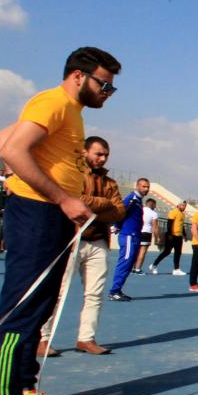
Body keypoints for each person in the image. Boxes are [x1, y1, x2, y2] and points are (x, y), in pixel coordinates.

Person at [0, 46, 121, 395]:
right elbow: (13, 148)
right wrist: (62, 198)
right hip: (39, 213)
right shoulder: (53, 102)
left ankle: (23, 388)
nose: (107, 94)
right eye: (104, 86)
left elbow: (5, 136)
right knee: (22, 305)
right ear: (79, 76)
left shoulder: (70, 112)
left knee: (42, 304)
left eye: (111, 89)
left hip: (52, 214)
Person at [40, 136, 126, 355]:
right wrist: (103, 204)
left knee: (94, 293)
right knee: (57, 291)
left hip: (98, 241)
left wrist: (90, 205)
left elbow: (119, 211)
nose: (103, 158)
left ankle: (86, 339)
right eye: (98, 154)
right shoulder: (73, 176)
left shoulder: (110, 183)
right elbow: (74, 199)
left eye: (106, 155)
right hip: (72, 239)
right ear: (85, 152)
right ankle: (43, 338)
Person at [109, 176, 150, 301]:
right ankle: (114, 291)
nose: (146, 189)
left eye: (148, 187)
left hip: (135, 236)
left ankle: (118, 290)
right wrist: (116, 226)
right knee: (125, 263)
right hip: (128, 236)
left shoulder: (138, 201)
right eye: (143, 186)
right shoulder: (131, 198)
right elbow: (121, 211)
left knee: (129, 263)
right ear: (137, 186)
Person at [149, 200, 186, 274]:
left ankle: (176, 269)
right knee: (166, 252)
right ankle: (154, 265)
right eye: (182, 205)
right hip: (171, 236)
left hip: (179, 236)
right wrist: (170, 234)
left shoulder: (182, 214)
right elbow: (169, 224)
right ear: (178, 205)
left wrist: (184, 234)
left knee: (178, 253)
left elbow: (181, 225)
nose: (184, 207)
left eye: (185, 205)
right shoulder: (173, 212)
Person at [134, 197, 159, 271]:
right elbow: (155, 227)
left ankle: (132, 267)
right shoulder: (153, 213)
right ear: (153, 204)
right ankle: (138, 269)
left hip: (137, 231)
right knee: (142, 251)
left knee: (135, 251)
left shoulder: (140, 210)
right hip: (146, 233)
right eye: (155, 205)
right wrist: (157, 238)